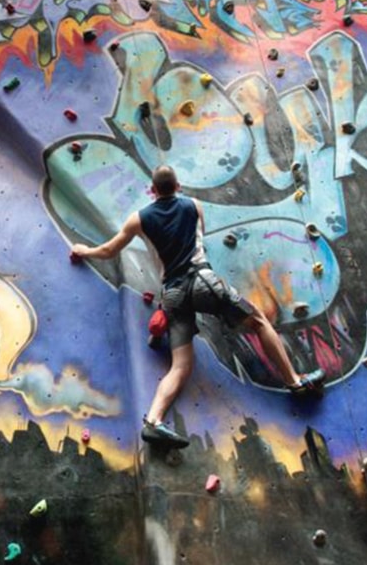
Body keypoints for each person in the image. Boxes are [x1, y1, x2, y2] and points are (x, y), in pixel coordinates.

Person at [70, 165, 324, 449]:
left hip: (173, 294)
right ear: (177, 186)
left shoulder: (138, 220)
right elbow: (199, 236)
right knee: (258, 322)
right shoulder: (194, 206)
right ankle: (294, 382)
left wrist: (84, 250)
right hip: (204, 282)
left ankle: (153, 422)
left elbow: (108, 251)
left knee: (181, 365)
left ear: (152, 191)